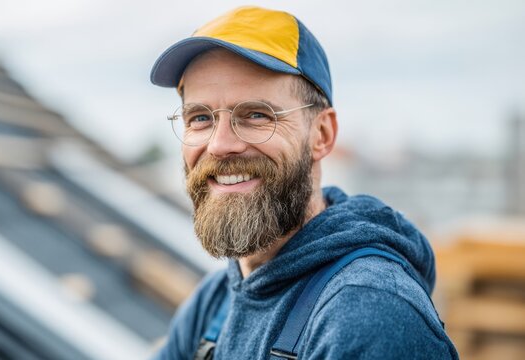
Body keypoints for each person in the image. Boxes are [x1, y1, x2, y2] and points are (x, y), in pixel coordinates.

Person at [150, 6, 458, 360]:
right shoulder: (216, 303)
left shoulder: (367, 315)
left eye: (255, 115)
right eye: (200, 118)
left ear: (322, 135)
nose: (219, 145)